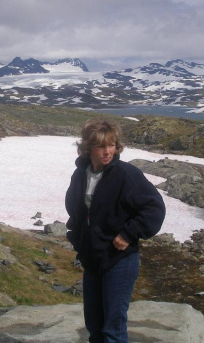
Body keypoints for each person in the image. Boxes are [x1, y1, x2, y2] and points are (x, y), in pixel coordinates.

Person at [65, 118, 166, 343]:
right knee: (94, 325)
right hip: (92, 258)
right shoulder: (81, 174)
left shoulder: (125, 174)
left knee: (113, 327)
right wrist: (77, 239)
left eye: (111, 145)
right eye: (101, 146)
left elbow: (154, 208)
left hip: (119, 259)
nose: (107, 151)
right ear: (88, 147)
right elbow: (75, 210)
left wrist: (129, 233)